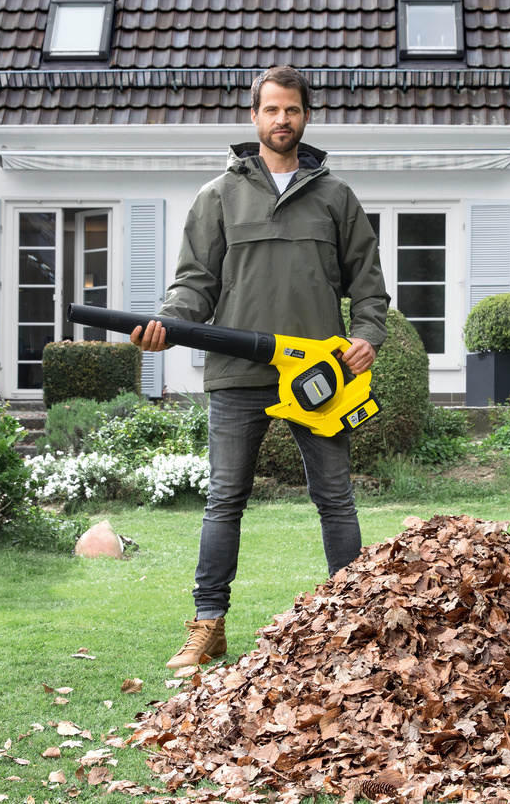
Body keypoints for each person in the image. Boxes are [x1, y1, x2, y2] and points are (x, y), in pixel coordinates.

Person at [129, 65, 391, 669]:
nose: (282, 120)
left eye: (292, 110)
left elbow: (369, 287)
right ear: (254, 117)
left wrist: (368, 336)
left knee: (336, 499)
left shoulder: (336, 198)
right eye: (271, 110)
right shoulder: (218, 196)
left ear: (306, 116)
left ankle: (351, 627)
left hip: (320, 376)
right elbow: (194, 283)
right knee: (225, 499)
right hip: (237, 371)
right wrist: (169, 325)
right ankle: (208, 625)